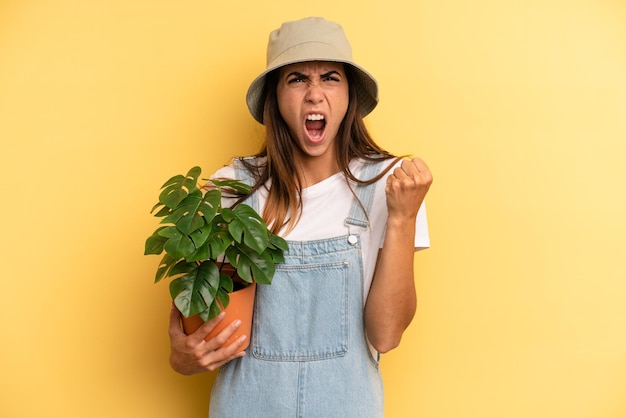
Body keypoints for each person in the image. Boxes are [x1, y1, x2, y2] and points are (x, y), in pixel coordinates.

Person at [167, 16, 432, 417]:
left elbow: (387, 334)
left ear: (348, 96)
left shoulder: (389, 186)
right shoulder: (232, 190)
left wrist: (401, 218)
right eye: (296, 79)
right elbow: (197, 328)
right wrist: (185, 356)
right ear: (275, 98)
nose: (314, 95)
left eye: (329, 77)